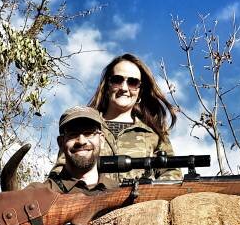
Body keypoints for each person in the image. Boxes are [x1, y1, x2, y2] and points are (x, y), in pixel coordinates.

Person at [50, 53, 182, 182]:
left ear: (140, 90)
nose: (124, 88)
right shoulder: (82, 127)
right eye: (117, 80)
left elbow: (172, 174)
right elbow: (60, 173)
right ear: (107, 86)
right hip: (88, 202)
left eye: (132, 82)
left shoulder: (154, 133)